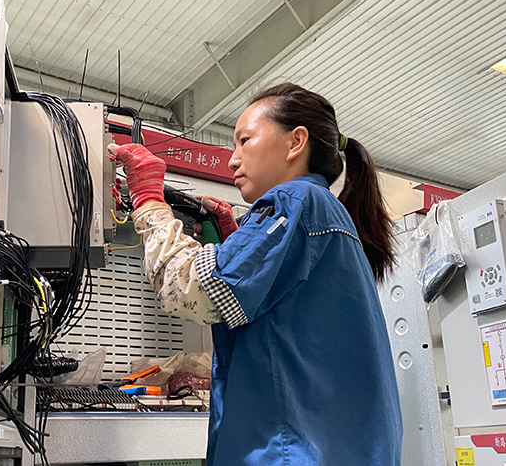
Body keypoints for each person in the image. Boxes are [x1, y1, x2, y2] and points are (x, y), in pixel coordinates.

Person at [109, 83, 402, 466]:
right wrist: (234, 240)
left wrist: (148, 198)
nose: (232, 160)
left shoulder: (293, 201)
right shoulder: (326, 212)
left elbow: (189, 288)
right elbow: (282, 320)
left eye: (245, 141)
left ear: (296, 142)